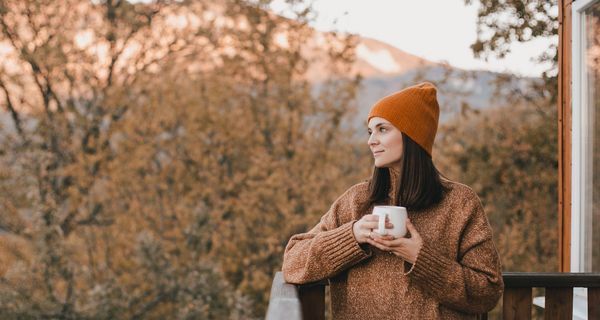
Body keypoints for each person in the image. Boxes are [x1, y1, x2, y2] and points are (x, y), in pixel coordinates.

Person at [282, 82, 503, 319]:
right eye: (370, 132)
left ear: (412, 136)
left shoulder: (460, 203)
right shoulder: (356, 201)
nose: (371, 141)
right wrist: (352, 235)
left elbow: (487, 291)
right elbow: (293, 263)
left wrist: (422, 259)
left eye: (382, 129)